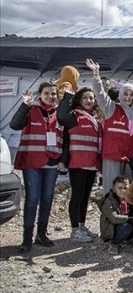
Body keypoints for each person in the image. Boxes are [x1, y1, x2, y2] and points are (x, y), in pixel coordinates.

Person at [10, 83, 62, 252]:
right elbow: (14, 125)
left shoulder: (59, 113)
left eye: (53, 94)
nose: (50, 96)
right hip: (32, 162)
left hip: (51, 162)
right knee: (32, 199)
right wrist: (25, 104)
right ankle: (26, 239)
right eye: (46, 93)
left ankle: (41, 234)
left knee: (47, 198)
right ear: (40, 95)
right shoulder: (31, 109)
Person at [87, 59, 133, 193]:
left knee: (126, 192)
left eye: (131, 95)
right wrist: (96, 76)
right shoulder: (112, 108)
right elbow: (100, 95)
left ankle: (124, 213)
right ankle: (108, 213)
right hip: (112, 156)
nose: (128, 98)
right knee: (111, 191)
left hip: (129, 158)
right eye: (126, 94)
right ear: (121, 94)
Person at [57, 86, 103, 243]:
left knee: (85, 196)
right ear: (78, 100)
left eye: (91, 98)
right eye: (85, 98)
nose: (89, 101)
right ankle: (74, 230)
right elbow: (61, 115)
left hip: (91, 163)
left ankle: (82, 226)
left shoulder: (95, 119)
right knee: (76, 196)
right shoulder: (74, 116)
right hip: (77, 162)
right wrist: (68, 95)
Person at [93, 176, 133, 256]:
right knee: (127, 227)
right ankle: (113, 243)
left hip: (124, 224)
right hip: (112, 229)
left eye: (125, 188)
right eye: (120, 188)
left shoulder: (129, 199)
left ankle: (124, 238)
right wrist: (130, 219)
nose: (123, 191)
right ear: (114, 189)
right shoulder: (109, 201)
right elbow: (113, 218)